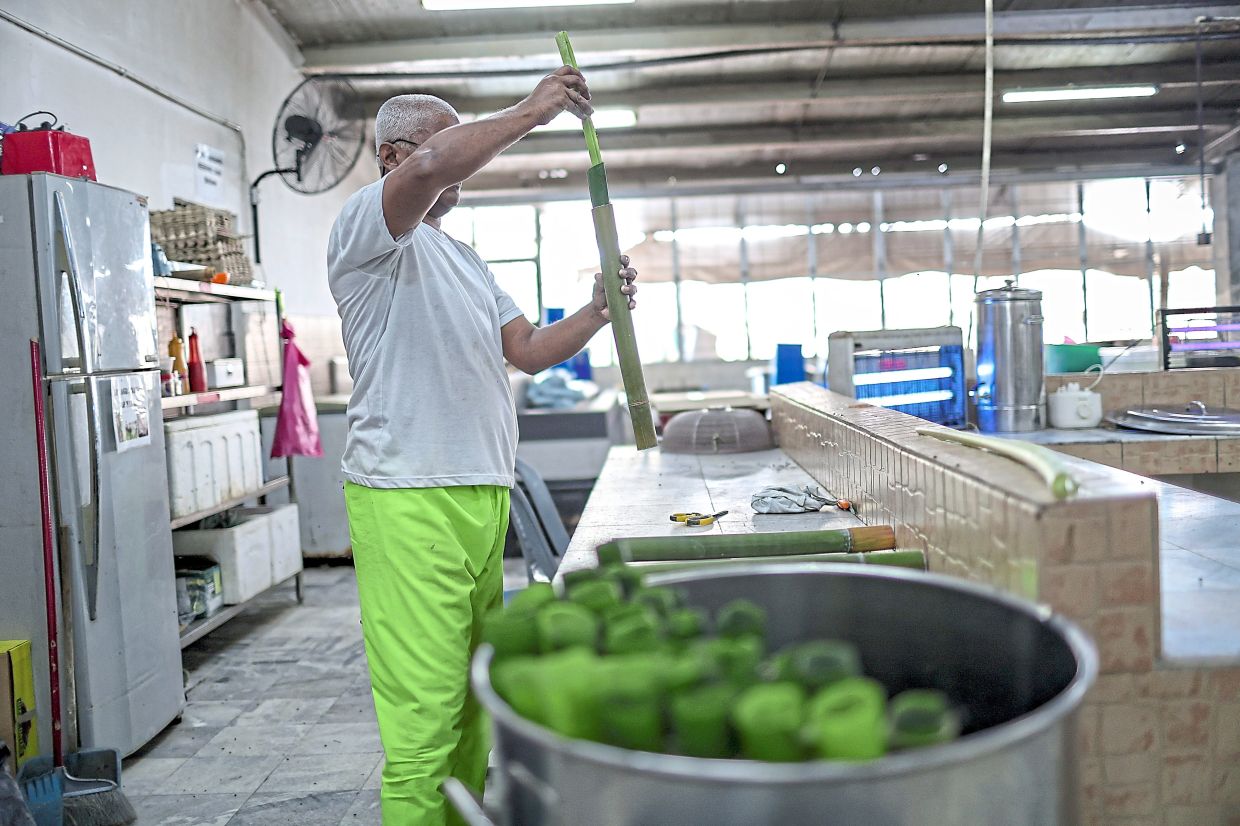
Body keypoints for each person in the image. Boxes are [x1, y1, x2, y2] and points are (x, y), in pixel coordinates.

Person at [327, 66, 637, 825]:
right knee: (424, 723)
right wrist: (531, 112)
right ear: (394, 157)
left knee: (471, 709)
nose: (459, 154)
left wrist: (597, 312)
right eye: (443, 138)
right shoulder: (366, 229)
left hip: (477, 493)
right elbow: (440, 164)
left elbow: (528, 349)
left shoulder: (464, 261)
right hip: (406, 497)